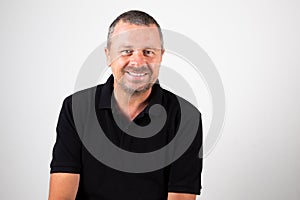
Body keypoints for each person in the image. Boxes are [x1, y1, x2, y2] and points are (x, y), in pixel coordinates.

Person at [49, 10, 203, 200]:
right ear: (108, 56)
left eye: (148, 52)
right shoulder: (76, 108)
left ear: (161, 56)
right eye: (126, 51)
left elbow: (181, 196)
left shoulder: (187, 117)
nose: (138, 62)